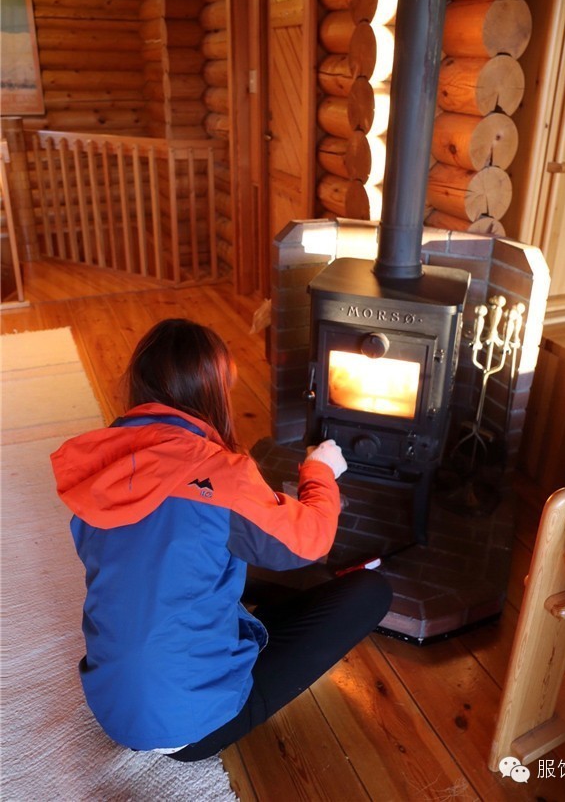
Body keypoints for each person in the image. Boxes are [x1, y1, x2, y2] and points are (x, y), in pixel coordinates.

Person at [51, 318, 391, 762]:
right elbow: (311, 540)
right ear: (213, 393)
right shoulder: (219, 474)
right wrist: (320, 472)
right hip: (194, 728)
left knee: (203, 565)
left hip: (111, 707)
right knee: (370, 591)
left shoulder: (98, 465)